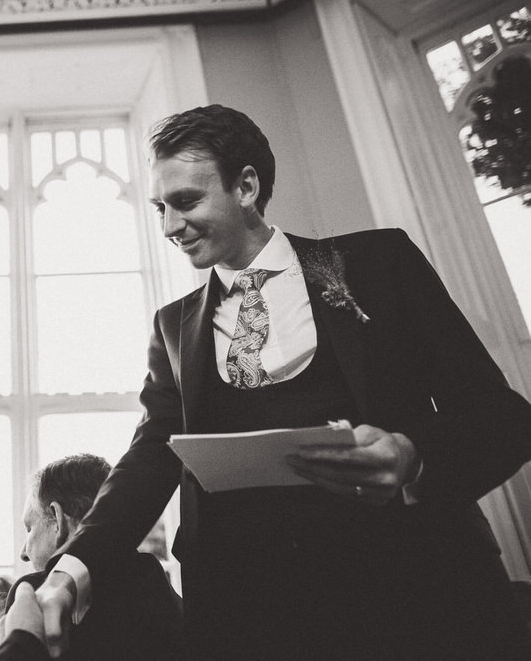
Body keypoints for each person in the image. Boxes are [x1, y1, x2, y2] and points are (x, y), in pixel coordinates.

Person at [33, 105, 531, 660]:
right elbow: (149, 459)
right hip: (251, 619)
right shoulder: (173, 327)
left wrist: (411, 455)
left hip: (417, 595)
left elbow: (500, 415)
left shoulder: (377, 262)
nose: (170, 226)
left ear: (246, 186)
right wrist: (70, 570)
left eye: (187, 202)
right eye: (160, 208)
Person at [14, 453, 181, 660]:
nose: (23, 553)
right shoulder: (155, 582)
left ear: (57, 520)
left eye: (29, 528)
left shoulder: (33, 594)